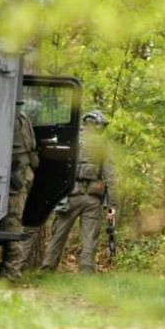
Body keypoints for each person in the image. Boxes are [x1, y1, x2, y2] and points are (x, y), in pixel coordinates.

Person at [41, 110, 116, 274]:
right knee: (90, 237)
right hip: (92, 198)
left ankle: (47, 268)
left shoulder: (70, 138)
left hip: (69, 195)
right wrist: (112, 205)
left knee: (58, 234)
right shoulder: (102, 146)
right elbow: (110, 177)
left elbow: (55, 168)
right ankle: (87, 271)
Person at [0, 107, 39, 281]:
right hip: (21, 172)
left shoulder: (11, 116)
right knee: (12, 220)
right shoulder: (21, 116)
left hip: (17, 174)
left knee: (12, 221)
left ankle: (11, 272)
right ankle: (8, 270)